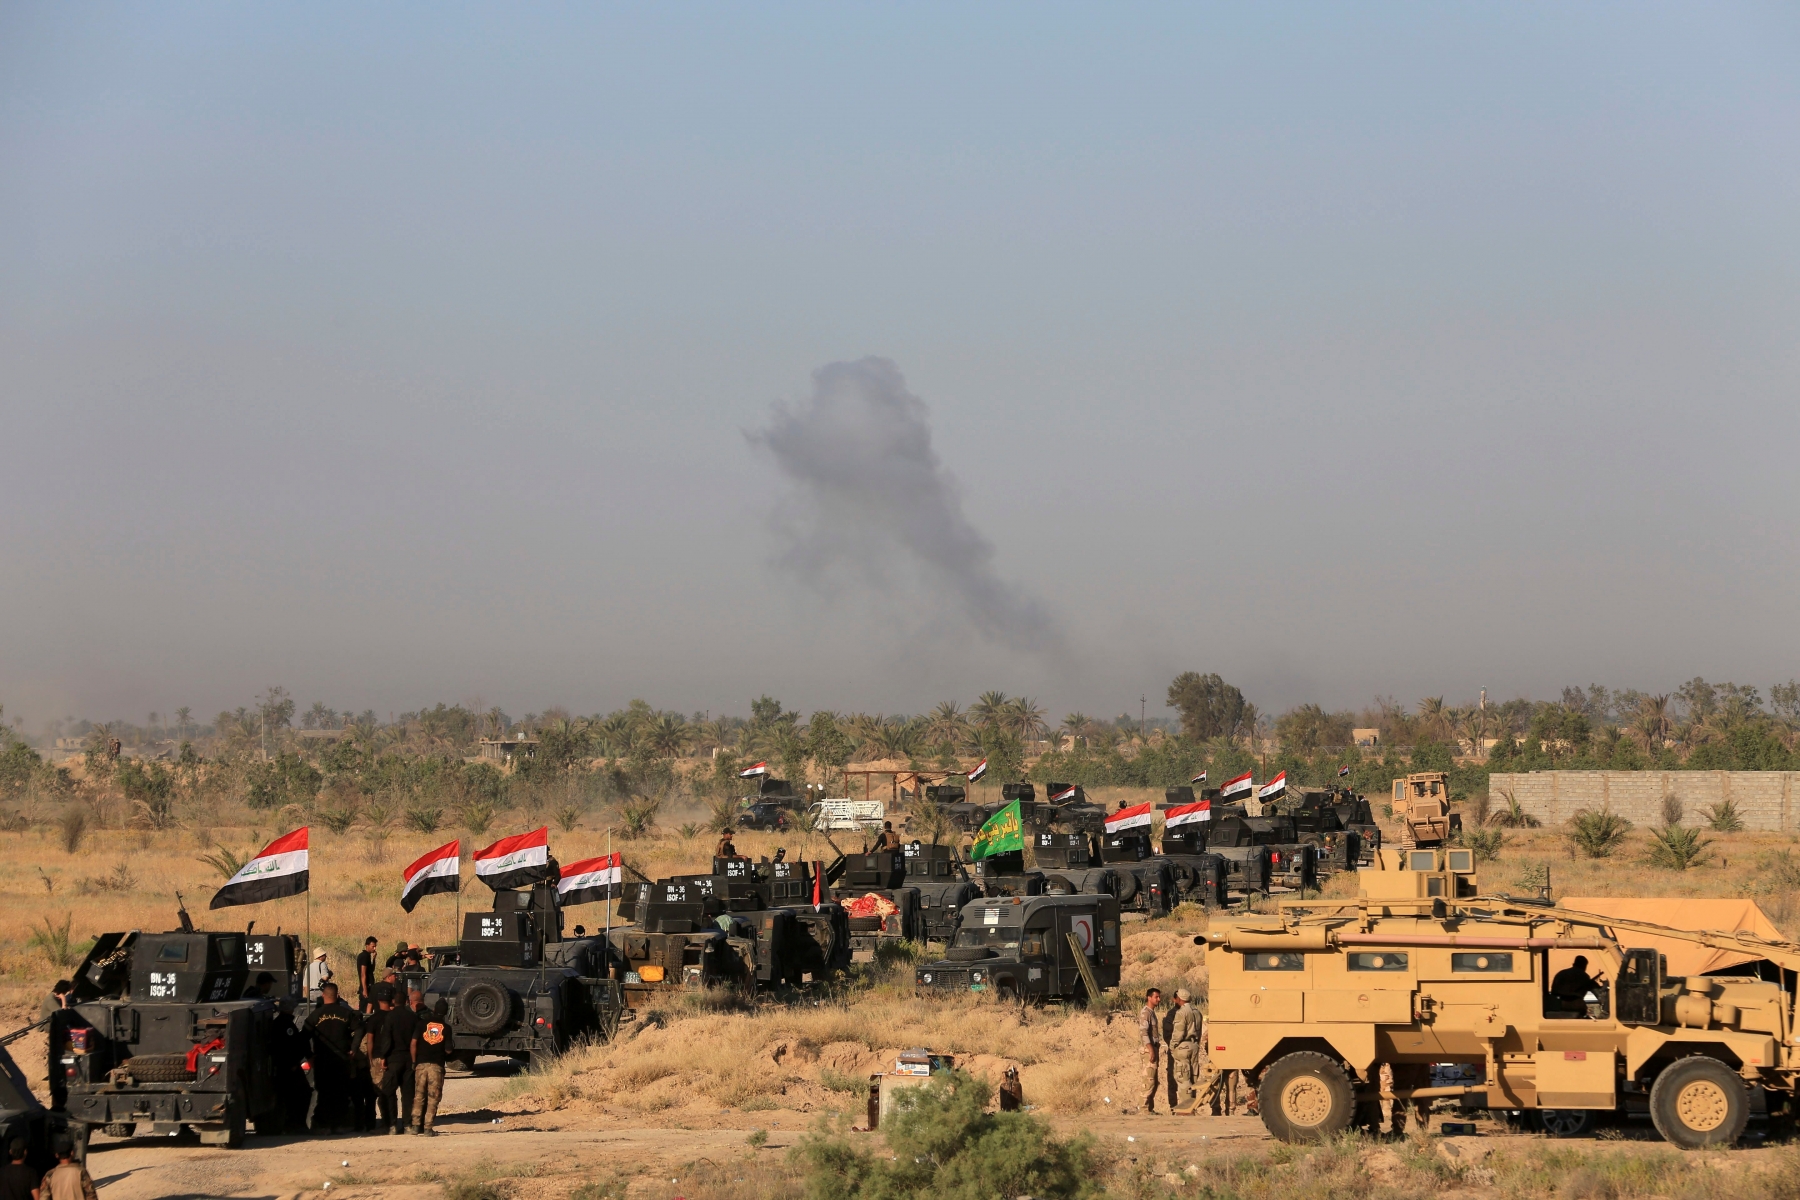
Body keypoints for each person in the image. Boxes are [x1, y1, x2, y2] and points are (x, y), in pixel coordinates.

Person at [302, 981, 363, 1134]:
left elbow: (303, 1036)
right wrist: (353, 1049)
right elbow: (360, 1029)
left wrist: (309, 1056)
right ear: (337, 995)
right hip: (341, 1060)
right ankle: (338, 1124)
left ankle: (324, 1125)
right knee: (341, 1092)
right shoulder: (345, 1013)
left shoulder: (316, 1014)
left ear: (323, 996)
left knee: (323, 1093)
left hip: (322, 1060)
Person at [374, 986, 419, 1134]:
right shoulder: (413, 1017)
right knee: (408, 1094)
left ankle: (392, 1124)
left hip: (394, 1059)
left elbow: (387, 1039)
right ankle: (407, 1125)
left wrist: (383, 1057)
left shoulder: (390, 1017)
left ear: (393, 1001)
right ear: (406, 1001)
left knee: (388, 1091)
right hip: (408, 1059)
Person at [410, 998, 452, 1136]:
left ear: (434, 1009)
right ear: (446, 1012)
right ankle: (428, 1128)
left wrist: (414, 1062)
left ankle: (415, 1126)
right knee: (433, 1097)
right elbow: (448, 1050)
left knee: (419, 1096)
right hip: (436, 1067)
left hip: (421, 1065)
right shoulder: (446, 1028)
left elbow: (413, 1043)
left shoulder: (422, 1024)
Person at [1166, 988, 1202, 1114]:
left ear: (1180, 999)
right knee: (1193, 1077)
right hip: (1194, 1046)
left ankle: (1186, 1109)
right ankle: (1193, 1106)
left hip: (1183, 1047)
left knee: (1183, 1078)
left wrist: (1172, 1046)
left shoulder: (1181, 1013)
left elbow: (1178, 1033)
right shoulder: (1197, 1012)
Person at [1137, 987, 1164, 1114]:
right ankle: (1143, 1109)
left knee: (1153, 1080)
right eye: (1156, 997)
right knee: (1148, 1080)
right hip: (1149, 1050)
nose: (1159, 999)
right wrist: (1151, 1050)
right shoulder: (1146, 1013)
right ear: (1149, 998)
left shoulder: (1151, 1012)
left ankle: (1149, 1108)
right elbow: (1143, 1033)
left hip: (1153, 1048)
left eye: (1159, 997)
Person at [355, 937, 379, 1013]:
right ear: (367, 945)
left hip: (368, 985)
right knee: (364, 1008)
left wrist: (374, 959)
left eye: (375, 946)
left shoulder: (367, 956)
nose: (374, 948)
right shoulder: (364, 956)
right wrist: (365, 989)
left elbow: (371, 970)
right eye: (373, 946)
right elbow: (363, 973)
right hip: (366, 986)